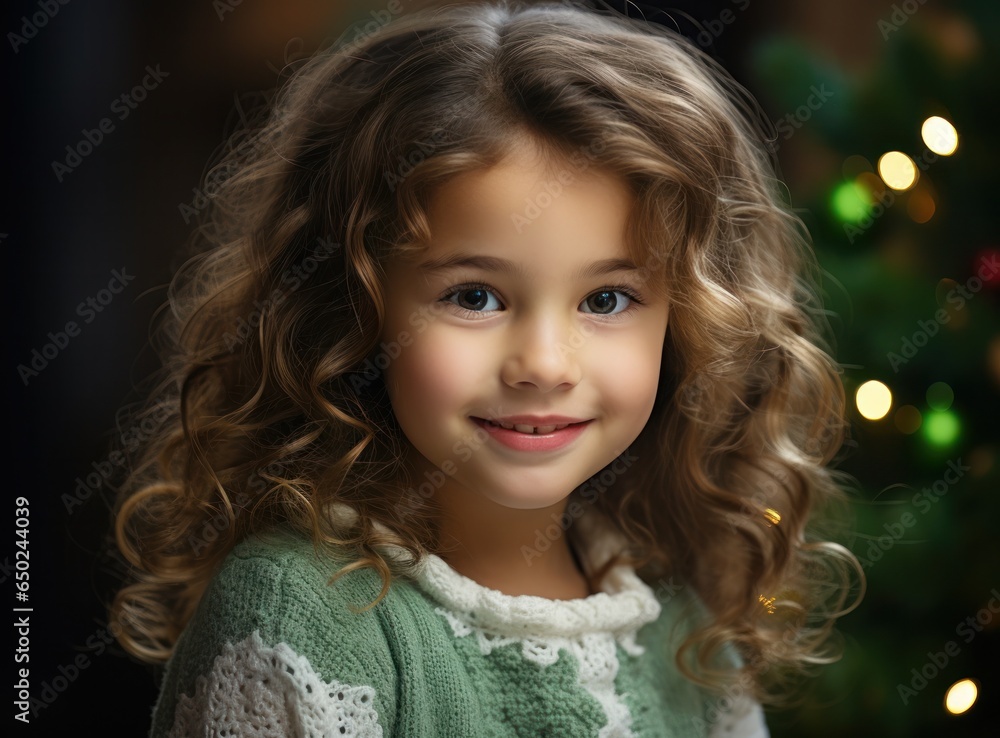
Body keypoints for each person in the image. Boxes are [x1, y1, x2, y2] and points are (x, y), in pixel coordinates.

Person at [110, 1, 863, 735]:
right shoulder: (296, 618)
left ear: (688, 322)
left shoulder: (684, 625)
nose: (543, 364)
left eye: (606, 298)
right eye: (475, 296)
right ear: (352, 305)